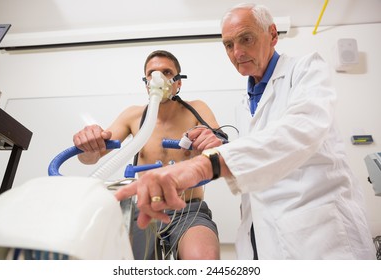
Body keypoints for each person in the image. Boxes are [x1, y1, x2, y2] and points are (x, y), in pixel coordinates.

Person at [114, 3, 376, 259]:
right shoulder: (245, 103)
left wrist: (204, 164)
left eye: (246, 39)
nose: (237, 52)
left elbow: (300, 129)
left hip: (318, 234)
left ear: (272, 35)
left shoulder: (305, 70)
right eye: (229, 45)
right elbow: (256, 153)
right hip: (262, 233)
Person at [73, 50, 223, 260]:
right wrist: (87, 143)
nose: (158, 78)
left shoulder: (196, 109)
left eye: (166, 72)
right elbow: (92, 157)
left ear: (178, 82)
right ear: (146, 83)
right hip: (144, 209)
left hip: (188, 209)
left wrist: (211, 142)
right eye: (151, 73)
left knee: (205, 262)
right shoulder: (133, 116)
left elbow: (220, 144)